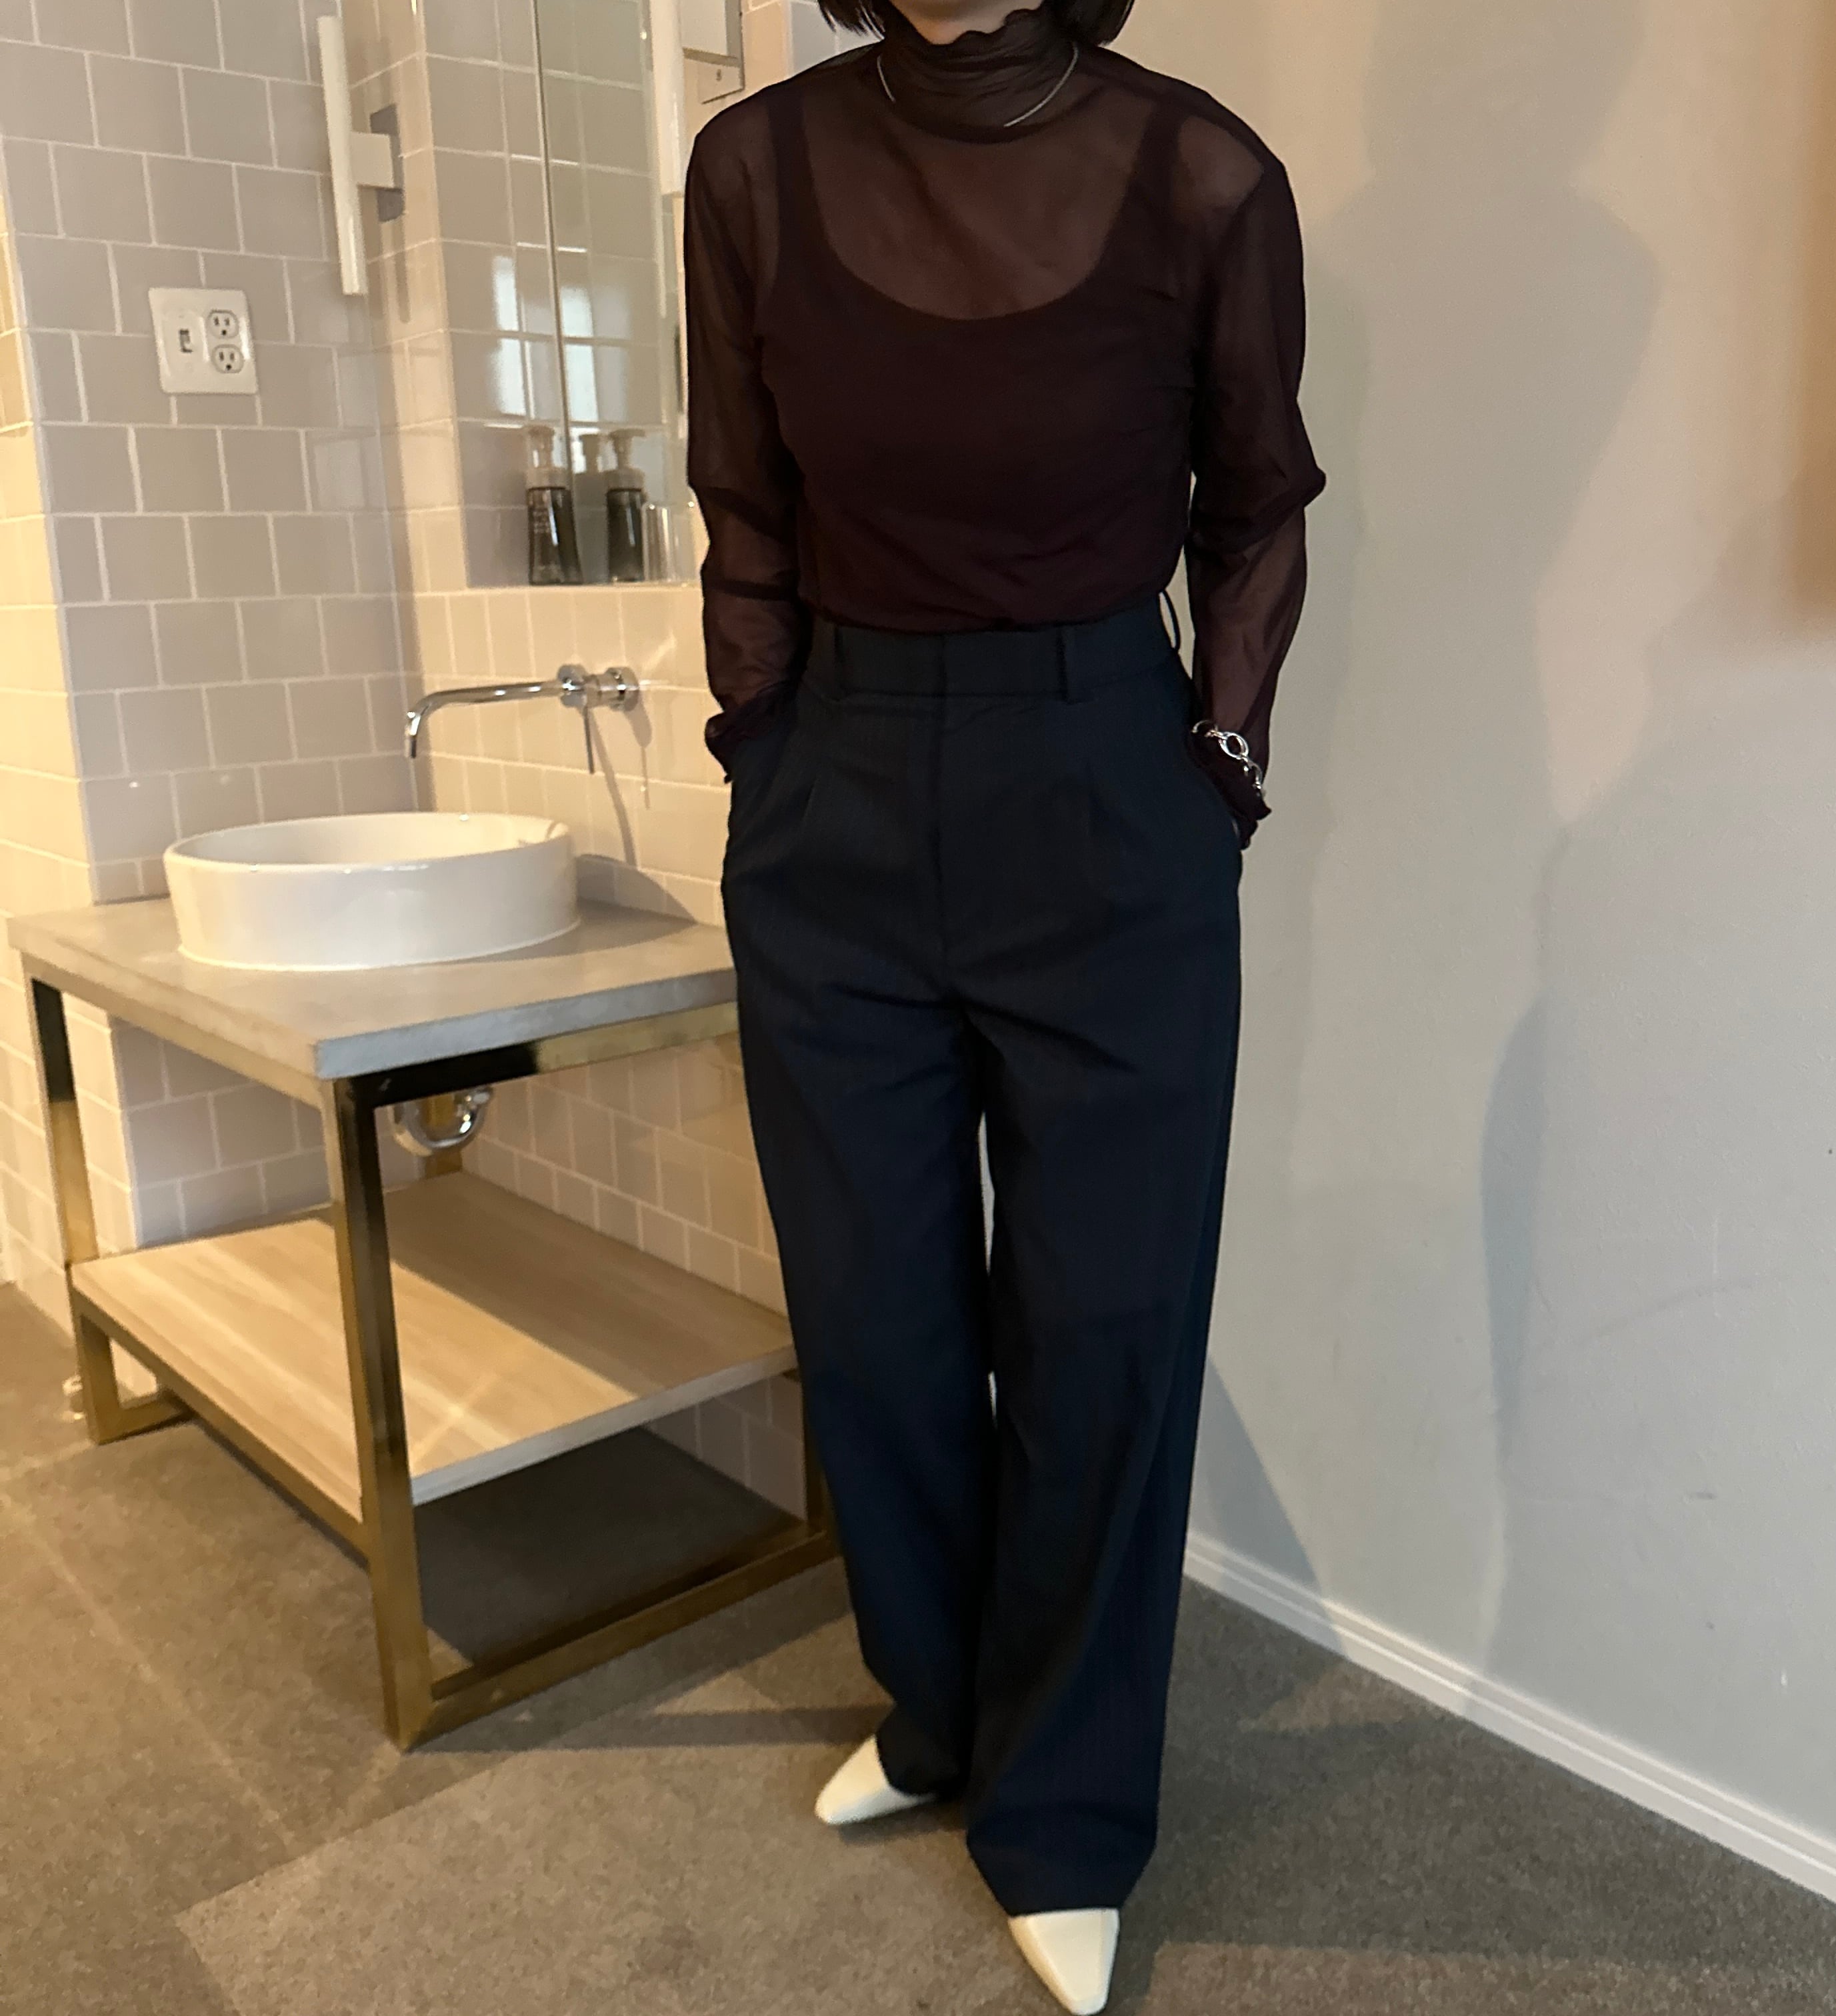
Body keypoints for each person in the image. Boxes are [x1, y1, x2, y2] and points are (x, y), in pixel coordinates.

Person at [684, 0, 1323, 2006]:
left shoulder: (1201, 170)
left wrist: (1215, 766)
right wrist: (767, 758)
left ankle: (1065, 1816)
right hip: (839, 792)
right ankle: (942, 1712)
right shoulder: (751, 167)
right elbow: (745, 508)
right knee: (871, 1312)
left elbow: (1257, 507)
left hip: (1105, 789)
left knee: (1103, 1326)